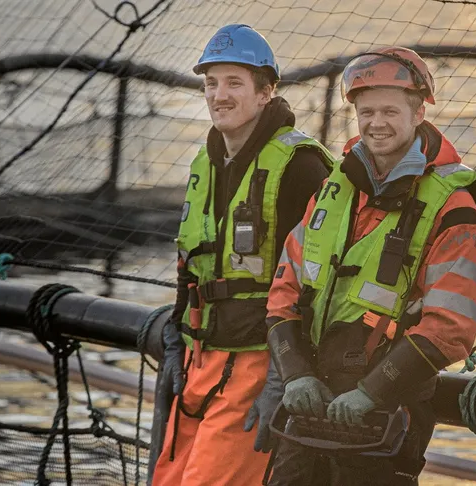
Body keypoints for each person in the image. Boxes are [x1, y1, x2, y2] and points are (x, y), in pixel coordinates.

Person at [263, 46, 476, 485]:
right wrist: (295, 376)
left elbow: (450, 327)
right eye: (366, 112)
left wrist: (370, 393)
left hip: (386, 416)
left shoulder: (454, 207)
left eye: (390, 110)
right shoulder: (333, 189)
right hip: (311, 401)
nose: (376, 123)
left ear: (419, 111)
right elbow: (283, 295)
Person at [151, 24, 334, 486]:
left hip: (255, 363)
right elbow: (189, 264)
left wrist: (282, 379)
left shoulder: (300, 167)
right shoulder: (206, 162)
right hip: (199, 360)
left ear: (266, 91)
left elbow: (317, 283)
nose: (219, 95)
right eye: (211, 83)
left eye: (234, 83)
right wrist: (174, 341)